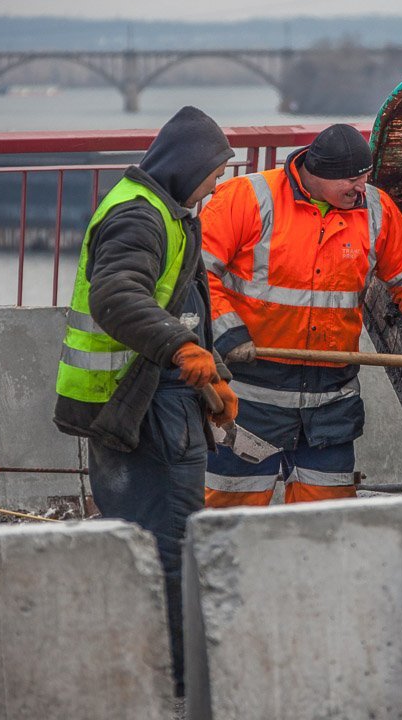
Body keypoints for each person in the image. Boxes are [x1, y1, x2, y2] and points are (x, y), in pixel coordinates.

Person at [52, 105, 239, 697]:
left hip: (142, 399)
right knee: (169, 544)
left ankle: (148, 672)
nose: (219, 186)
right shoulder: (140, 215)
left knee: (141, 538)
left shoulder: (173, 212)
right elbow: (116, 295)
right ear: (189, 168)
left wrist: (215, 376)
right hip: (138, 406)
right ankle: (176, 683)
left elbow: (184, 305)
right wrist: (185, 352)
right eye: (215, 174)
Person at [200, 123, 402, 506]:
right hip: (249, 401)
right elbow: (197, 277)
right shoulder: (248, 199)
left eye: (365, 178)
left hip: (329, 405)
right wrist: (230, 336)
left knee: (326, 522)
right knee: (228, 516)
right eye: (351, 181)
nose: (360, 189)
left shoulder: (376, 210)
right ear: (316, 174)